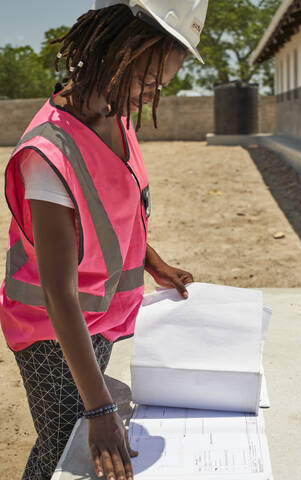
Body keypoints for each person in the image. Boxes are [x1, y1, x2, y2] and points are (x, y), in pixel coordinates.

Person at [0, 1, 208, 479]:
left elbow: (120, 209)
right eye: (150, 82)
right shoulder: (48, 154)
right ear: (120, 54)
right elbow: (57, 290)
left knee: (73, 438)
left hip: (98, 320)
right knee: (63, 443)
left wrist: (153, 263)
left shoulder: (117, 118)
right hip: (50, 330)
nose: (153, 95)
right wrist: (98, 411)